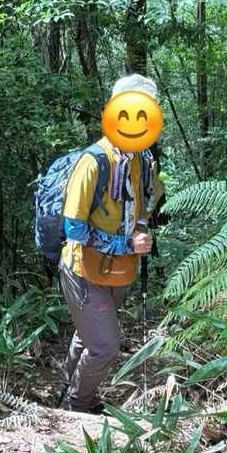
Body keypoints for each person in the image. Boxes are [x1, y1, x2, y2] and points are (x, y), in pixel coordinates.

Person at [58, 73, 164, 415]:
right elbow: (74, 228)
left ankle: (66, 393)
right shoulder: (93, 162)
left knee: (87, 335)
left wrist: (142, 230)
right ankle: (77, 405)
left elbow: (145, 204)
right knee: (104, 346)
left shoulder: (143, 161)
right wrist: (126, 245)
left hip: (117, 272)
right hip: (82, 269)